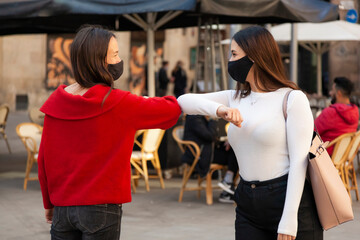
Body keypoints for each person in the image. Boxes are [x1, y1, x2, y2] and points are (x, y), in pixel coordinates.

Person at [178, 26, 322, 240]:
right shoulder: (235, 97)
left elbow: (299, 163)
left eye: (234, 54)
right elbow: (184, 101)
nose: (230, 61)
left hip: (286, 199)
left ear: (255, 56)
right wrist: (220, 110)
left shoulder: (292, 98)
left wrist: (290, 218)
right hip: (246, 199)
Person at [37, 25, 181, 240]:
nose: (119, 60)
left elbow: (45, 160)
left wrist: (49, 203)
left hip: (62, 208)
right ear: (98, 61)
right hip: (101, 208)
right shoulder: (117, 101)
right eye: (114, 55)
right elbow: (171, 111)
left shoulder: (56, 102)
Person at [315, 77, 359, 155]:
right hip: (343, 158)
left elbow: (311, 133)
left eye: (332, 90)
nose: (330, 93)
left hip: (325, 158)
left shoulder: (330, 113)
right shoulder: (355, 111)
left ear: (339, 93)